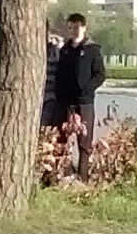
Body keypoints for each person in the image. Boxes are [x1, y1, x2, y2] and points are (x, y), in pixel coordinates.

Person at [42, 10, 105, 182]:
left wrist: (87, 89)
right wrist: (60, 94)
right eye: (70, 28)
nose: (73, 31)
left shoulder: (92, 50)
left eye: (76, 27)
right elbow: (60, 75)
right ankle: (51, 178)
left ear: (83, 27)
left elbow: (100, 75)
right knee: (59, 139)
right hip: (64, 103)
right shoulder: (65, 50)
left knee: (84, 142)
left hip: (84, 103)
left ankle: (82, 179)